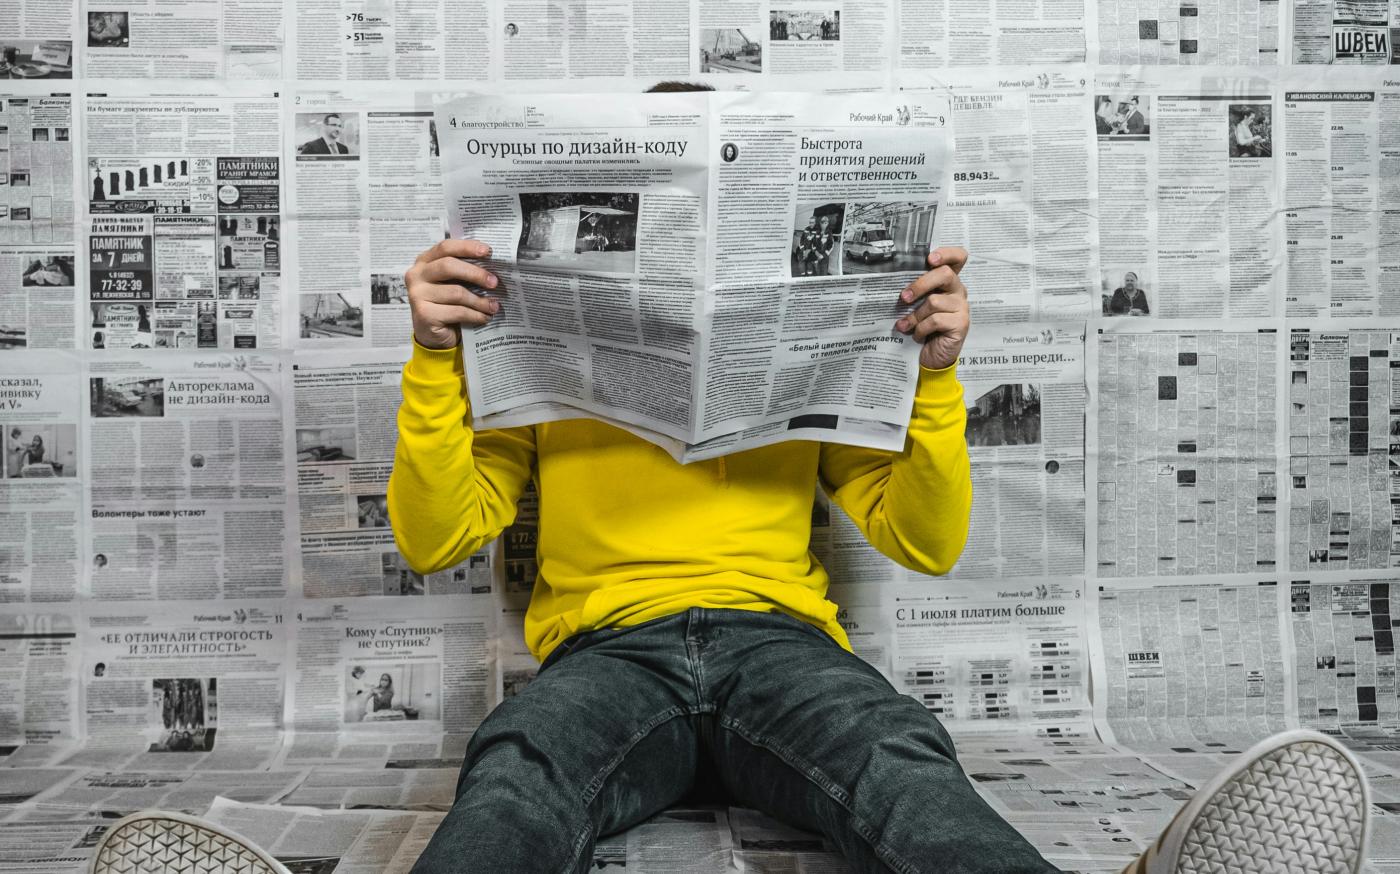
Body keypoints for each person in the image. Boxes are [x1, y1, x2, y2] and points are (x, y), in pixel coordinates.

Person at [89, 83, 1371, 874]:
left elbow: (919, 542)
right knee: (523, 767)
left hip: (779, 642)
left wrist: (929, 375)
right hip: (606, 654)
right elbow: (435, 536)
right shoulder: (527, 336)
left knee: (894, 761)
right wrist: (434, 357)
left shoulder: (822, 328)